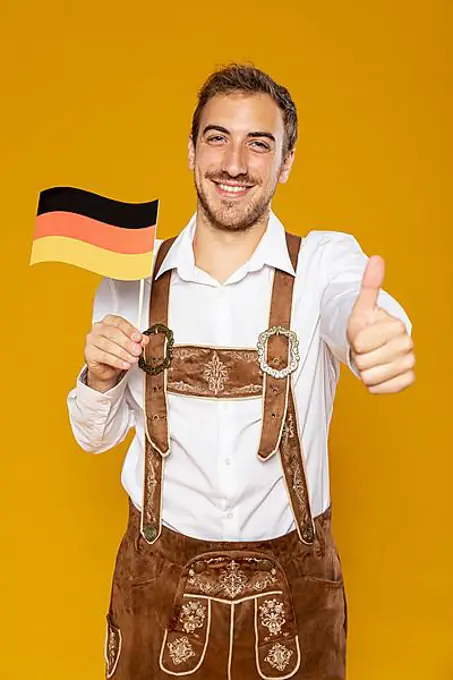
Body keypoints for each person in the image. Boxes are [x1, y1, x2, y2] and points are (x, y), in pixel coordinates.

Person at [67, 63, 415, 680]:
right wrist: (97, 377)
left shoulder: (323, 265)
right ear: (191, 150)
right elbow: (93, 437)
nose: (235, 163)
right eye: (217, 137)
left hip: (295, 596)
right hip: (156, 591)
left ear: (285, 164)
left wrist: (373, 333)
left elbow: (352, 305)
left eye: (260, 144)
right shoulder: (131, 278)